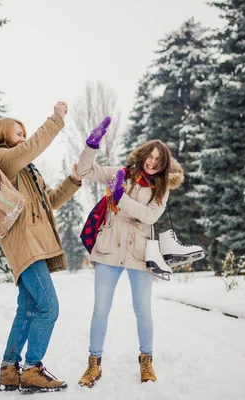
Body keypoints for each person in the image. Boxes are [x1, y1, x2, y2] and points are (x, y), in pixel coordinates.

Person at [0, 101, 84, 393]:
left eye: (25, 133)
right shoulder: (0, 158)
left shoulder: (26, 170)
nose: (24, 138)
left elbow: (49, 201)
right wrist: (56, 119)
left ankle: (9, 369)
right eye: (18, 133)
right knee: (49, 307)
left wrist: (74, 180)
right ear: (3, 134)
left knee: (28, 308)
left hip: (32, 243)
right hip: (24, 243)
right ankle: (32, 370)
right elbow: (30, 148)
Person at [75, 127, 184, 387]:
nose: (153, 163)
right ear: (143, 154)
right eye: (151, 156)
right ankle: (94, 364)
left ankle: (146, 362)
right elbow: (86, 171)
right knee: (100, 309)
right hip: (109, 248)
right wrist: (91, 146)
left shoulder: (162, 186)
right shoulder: (121, 174)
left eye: (159, 160)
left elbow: (149, 216)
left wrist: (120, 197)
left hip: (139, 254)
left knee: (143, 310)